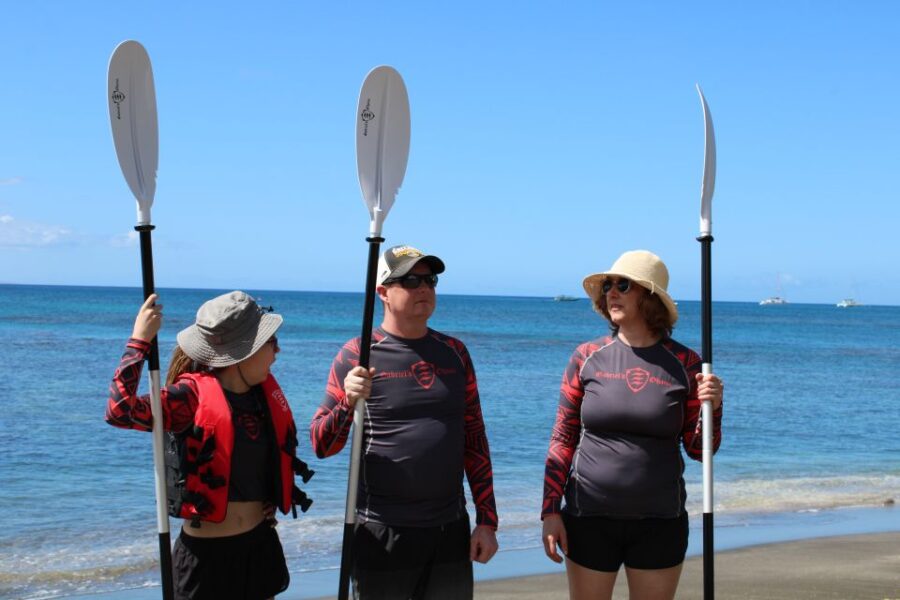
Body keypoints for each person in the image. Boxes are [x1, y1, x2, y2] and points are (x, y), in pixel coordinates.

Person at [310, 245, 499, 599]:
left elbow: (474, 438)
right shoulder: (357, 354)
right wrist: (348, 403)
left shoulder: (455, 353)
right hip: (382, 532)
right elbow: (322, 444)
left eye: (430, 280)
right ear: (382, 292)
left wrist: (487, 521)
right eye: (410, 280)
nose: (424, 288)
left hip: (449, 529)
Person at [106, 291, 314, 600]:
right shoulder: (188, 398)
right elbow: (119, 411)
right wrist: (139, 342)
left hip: (259, 546)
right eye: (271, 343)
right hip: (206, 559)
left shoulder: (262, 398)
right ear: (244, 352)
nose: (278, 351)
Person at [541, 250, 724, 600]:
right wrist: (549, 511)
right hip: (587, 517)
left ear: (649, 296)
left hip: (660, 521)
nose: (611, 292)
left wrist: (714, 408)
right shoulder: (586, 357)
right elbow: (563, 438)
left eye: (623, 285)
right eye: (607, 286)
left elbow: (701, 450)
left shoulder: (686, 364)